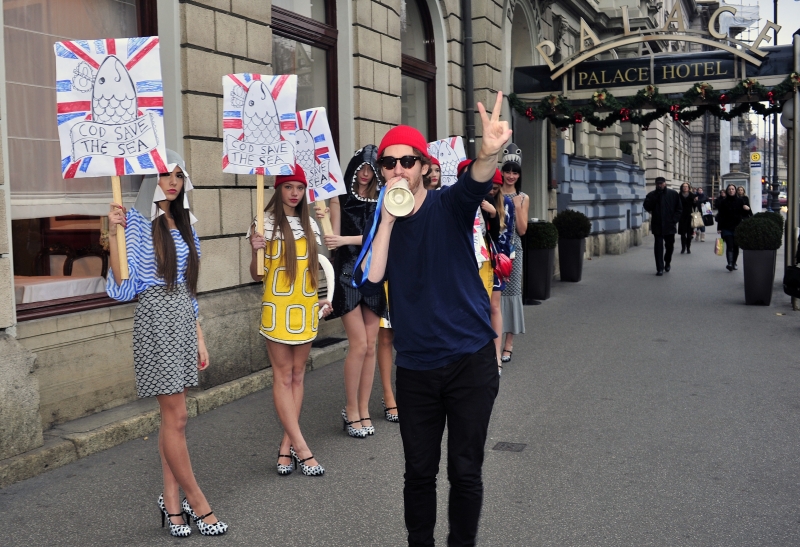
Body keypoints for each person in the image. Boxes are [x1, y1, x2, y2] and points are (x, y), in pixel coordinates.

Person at [354, 91, 510, 546]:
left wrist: (487, 154)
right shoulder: (382, 220)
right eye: (389, 163)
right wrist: (384, 222)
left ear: (424, 166)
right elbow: (370, 278)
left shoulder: (449, 206)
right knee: (418, 473)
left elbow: (476, 182)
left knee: (465, 471)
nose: (398, 170)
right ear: (381, 171)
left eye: (407, 161)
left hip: (468, 361)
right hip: (417, 368)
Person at [106, 150, 228, 537]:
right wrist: (114, 234)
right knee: (177, 418)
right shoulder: (137, 220)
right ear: (149, 179)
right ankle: (198, 503)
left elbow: (190, 290)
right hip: (155, 320)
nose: (172, 181)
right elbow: (123, 287)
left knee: (172, 420)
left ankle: (171, 504)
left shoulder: (185, 223)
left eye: (178, 175)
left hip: (181, 319)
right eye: (164, 174)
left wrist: (200, 337)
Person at [247, 166, 333, 476]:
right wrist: (255, 249)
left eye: (299, 187)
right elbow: (257, 275)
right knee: (283, 376)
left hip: (306, 308)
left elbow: (315, 269)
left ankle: (287, 446)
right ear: (278, 189)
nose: (294, 192)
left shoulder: (311, 223)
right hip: (277, 309)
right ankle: (303, 449)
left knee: (298, 376)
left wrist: (321, 298)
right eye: (288, 187)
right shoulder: (263, 223)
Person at [324, 146, 387, 438]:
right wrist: (327, 211)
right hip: (347, 275)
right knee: (359, 344)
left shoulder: (384, 202)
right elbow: (332, 242)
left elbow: (379, 238)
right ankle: (351, 409)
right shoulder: (342, 199)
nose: (365, 174)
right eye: (362, 167)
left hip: (373, 275)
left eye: (371, 169)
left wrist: (344, 237)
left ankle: (362, 409)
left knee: (371, 344)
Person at [482, 169, 515, 373]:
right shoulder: (477, 199)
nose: (492, 191)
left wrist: (504, 264)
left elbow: (507, 235)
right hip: (478, 260)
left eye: (496, 188)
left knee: (494, 306)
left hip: (495, 260)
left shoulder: (506, 204)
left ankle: (496, 356)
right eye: (490, 188)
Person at [499, 144, 528, 364]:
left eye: (515, 172)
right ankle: (494, 342)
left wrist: (517, 206)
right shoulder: (494, 192)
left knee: (512, 293)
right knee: (494, 295)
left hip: (514, 250)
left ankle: (509, 344)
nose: (511, 175)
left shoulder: (523, 197)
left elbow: (522, 230)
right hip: (495, 248)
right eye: (507, 171)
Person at [643, 176, 682, 276]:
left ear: (665, 183)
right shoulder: (652, 195)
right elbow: (647, 206)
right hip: (658, 225)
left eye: (661, 183)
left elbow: (679, 209)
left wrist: (674, 220)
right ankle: (659, 268)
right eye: (658, 184)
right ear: (656, 184)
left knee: (669, 247)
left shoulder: (673, 194)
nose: (660, 185)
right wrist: (656, 197)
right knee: (658, 247)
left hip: (670, 225)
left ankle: (667, 261)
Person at [717, 183, 751, 271]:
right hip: (726, 227)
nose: (731, 190)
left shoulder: (740, 201)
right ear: (727, 191)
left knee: (736, 246)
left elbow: (746, 214)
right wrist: (719, 228)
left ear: (735, 191)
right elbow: (720, 215)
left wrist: (747, 209)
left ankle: (734, 262)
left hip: (738, 227)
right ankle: (730, 263)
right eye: (729, 189)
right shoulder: (723, 202)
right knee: (730, 245)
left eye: (732, 189)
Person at [677, 182, 696, 254]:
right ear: (682, 188)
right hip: (681, 217)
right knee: (682, 234)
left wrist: (695, 202)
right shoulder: (678, 196)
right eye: (684, 186)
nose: (685, 188)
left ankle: (688, 248)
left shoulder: (692, 195)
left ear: (689, 188)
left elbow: (696, 206)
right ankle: (683, 248)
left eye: (686, 186)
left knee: (689, 234)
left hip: (690, 216)